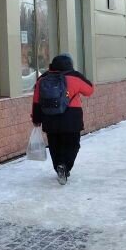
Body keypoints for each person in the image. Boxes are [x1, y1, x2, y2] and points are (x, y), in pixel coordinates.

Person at [31, 53, 94, 184]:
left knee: (55, 145)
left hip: (49, 118)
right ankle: (65, 166)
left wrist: (36, 119)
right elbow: (89, 90)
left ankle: (59, 166)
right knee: (73, 144)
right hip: (71, 117)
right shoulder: (75, 77)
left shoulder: (42, 79)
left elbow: (36, 101)